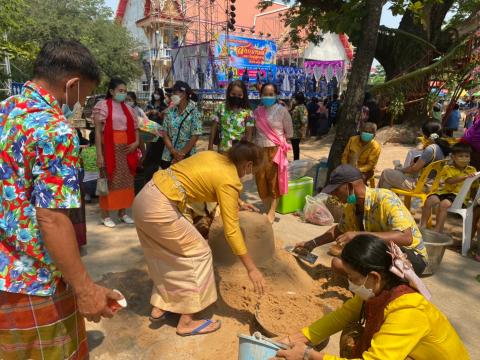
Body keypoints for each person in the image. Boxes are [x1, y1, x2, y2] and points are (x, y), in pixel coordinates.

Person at [0, 38, 122, 360]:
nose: (80, 103)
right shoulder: (54, 130)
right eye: (82, 95)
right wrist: (85, 289)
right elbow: (52, 217)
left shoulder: (6, 111)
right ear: (71, 84)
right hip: (34, 279)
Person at [133, 141, 266, 335]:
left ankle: (162, 305)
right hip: (160, 208)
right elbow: (232, 231)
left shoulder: (212, 156)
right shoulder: (230, 180)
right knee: (200, 253)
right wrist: (251, 268)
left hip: (145, 198)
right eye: (252, 169)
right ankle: (187, 321)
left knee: (165, 253)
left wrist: (237, 201)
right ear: (248, 165)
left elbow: (207, 177)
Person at [277, 235, 468, 360]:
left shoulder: (408, 312)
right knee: (352, 333)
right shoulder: (379, 291)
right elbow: (341, 316)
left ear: (373, 277)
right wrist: (292, 339)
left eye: (352, 278)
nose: (350, 284)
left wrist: (309, 355)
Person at [298, 165, 427, 275]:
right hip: (383, 253)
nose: (334, 195)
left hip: (409, 256)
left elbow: (406, 237)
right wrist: (312, 243)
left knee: (355, 256)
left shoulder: (385, 198)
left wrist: (358, 235)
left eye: (336, 190)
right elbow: (339, 230)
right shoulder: (351, 206)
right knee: (338, 263)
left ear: (349, 187)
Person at [93, 78, 139, 228]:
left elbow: (136, 128)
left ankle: (123, 213)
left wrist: (136, 142)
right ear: (111, 91)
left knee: (126, 181)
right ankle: (105, 215)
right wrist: (99, 155)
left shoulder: (129, 109)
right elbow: (98, 132)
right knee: (109, 180)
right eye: (120, 91)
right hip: (109, 150)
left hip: (127, 150)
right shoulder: (102, 106)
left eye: (125, 91)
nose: (123, 93)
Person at [254, 83, 293, 223]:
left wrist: (281, 144)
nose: (268, 96)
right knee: (260, 179)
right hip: (259, 150)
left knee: (273, 180)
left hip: (275, 150)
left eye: (271, 94)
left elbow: (289, 132)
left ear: (276, 95)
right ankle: (267, 206)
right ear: (260, 95)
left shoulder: (282, 111)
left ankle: (272, 211)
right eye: (265, 93)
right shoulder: (257, 111)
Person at [420, 143, 477, 232]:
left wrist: (473, 201)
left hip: (460, 197)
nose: (464, 159)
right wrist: (465, 177)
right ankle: (422, 226)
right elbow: (450, 181)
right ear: (453, 157)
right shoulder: (447, 168)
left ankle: (437, 230)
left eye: (467, 156)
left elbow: (474, 187)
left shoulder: (472, 170)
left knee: (444, 204)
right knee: (429, 201)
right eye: (461, 156)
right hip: (445, 192)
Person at [378, 121, 449, 190]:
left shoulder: (430, 149)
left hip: (421, 185)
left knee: (386, 173)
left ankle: (377, 198)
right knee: (387, 182)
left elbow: (414, 169)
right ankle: (385, 200)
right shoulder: (442, 147)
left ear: (426, 135)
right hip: (433, 184)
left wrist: (400, 170)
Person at [161, 81, 203, 169]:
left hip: (187, 156)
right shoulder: (169, 111)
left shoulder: (195, 112)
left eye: (174, 93)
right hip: (169, 155)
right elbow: (164, 133)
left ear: (183, 94)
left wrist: (181, 155)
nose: (172, 96)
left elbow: (195, 135)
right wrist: (173, 151)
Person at [208, 80, 254, 153]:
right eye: (233, 94)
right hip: (223, 151)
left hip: (239, 153)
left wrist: (247, 152)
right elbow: (213, 128)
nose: (236, 97)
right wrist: (210, 146)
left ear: (244, 95)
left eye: (240, 95)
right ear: (229, 93)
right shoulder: (220, 108)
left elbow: (249, 135)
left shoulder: (249, 113)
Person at [81, 130, 99, 203]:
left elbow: (81, 163)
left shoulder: (84, 150)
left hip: (86, 185)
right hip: (100, 185)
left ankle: (87, 196)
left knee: (82, 170)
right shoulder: (101, 151)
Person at [290, 92, 308, 160]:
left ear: (297, 99)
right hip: (294, 131)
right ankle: (296, 160)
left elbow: (304, 121)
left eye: (294, 99)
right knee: (295, 147)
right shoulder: (298, 107)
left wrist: (303, 133)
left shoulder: (301, 108)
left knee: (295, 147)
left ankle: (296, 161)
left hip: (297, 131)